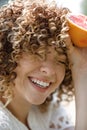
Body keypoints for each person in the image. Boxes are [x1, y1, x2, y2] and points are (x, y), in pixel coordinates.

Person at [0, 0, 87, 130]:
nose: (50, 71)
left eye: (61, 61)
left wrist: (81, 69)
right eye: (38, 54)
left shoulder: (48, 112)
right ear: (9, 52)